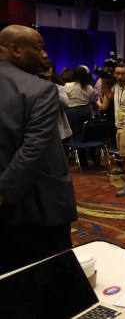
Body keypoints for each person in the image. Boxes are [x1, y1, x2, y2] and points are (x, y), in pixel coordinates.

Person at [0, 25, 77, 275]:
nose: (44, 55)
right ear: (15, 50)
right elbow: (33, 149)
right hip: (35, 206)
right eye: (39, 47)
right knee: (52, 278)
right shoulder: (40, 90)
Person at [97, 63, 125, 197]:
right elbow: (109, 97)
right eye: (117, 73)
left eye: (122, 73)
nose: (120, 76)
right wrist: (103, 79)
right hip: (120, 125)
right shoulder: (116, 86)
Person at [65, 65, 96, 167]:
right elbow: (91, 100)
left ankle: (83, 163)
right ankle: (95, 159)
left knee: (77, 137)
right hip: (86, 110)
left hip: (72, 111)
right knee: (89, 135)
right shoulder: (89, 87)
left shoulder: (68, 86)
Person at [38, 59, 72, 142]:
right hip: (42, 129)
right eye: (45, 67)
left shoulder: (58, 87)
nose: (48, 69)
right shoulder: (36, 87)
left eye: (50, 67)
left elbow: (65, 102)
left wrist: (51, 88)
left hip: (59, 129)